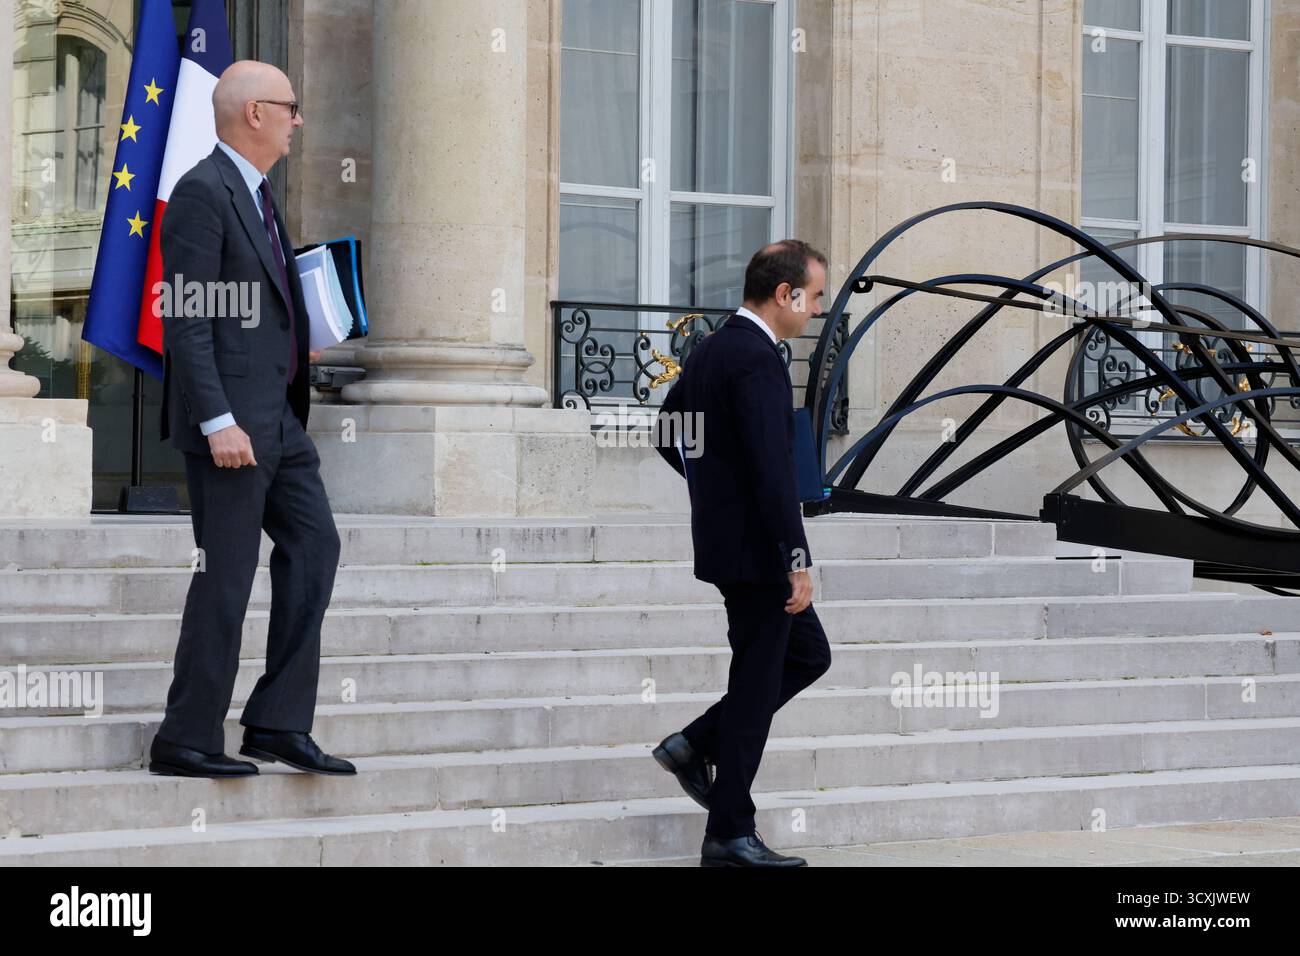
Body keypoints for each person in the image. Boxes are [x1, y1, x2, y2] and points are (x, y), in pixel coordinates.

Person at [149, 60, 353, 778]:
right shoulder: (204, 192)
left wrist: (303, 333)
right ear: (256, 114)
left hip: (280, 423)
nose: (300, 121)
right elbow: (187, 319)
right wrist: (216, 421)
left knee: (316, 549)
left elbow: (256, 302)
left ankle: (275, 721)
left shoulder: (258, 191)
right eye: (291, 107)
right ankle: (186, 737)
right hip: (231, 426)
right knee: (226, 579)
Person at [651, 240, 833, 867]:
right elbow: (771, 472)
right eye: (812, 299)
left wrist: (714, 490)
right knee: (756, 689)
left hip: (738, 545)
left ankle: (692, 744)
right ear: (785, 295)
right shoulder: (756, 358)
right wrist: (796, 557)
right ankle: (729, 832)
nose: (814, 312)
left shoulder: (716, 346)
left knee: (809, 655)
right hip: (760, 556)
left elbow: (668, 432)